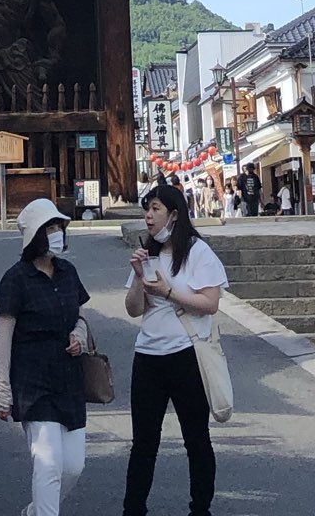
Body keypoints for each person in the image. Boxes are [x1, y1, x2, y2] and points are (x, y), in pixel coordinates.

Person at [124, 183, 225, 516]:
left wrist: (168, 292)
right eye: (146, 209)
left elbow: (210, 304)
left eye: (155, 209)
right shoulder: (148, 255)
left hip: (186, 356)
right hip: (148, 358)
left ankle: (200, 509)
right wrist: (139, 277)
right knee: (143, 443)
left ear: (174, 214)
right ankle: (133, 509)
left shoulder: (197, 252)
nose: (149, 216)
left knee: (195, 439)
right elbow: (133, 309)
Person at [0, 197, 91, 516]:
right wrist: (1, 389)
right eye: (50, 228)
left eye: (59, 226)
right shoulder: (15, 278)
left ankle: (36, 511)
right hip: (32, 381)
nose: (57, 233)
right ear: (35, 233)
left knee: (73, 465)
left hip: (69, 378)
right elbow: (3, 336)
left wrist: (78, 334)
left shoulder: (68, 272)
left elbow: (79, 317)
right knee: (48, 463)